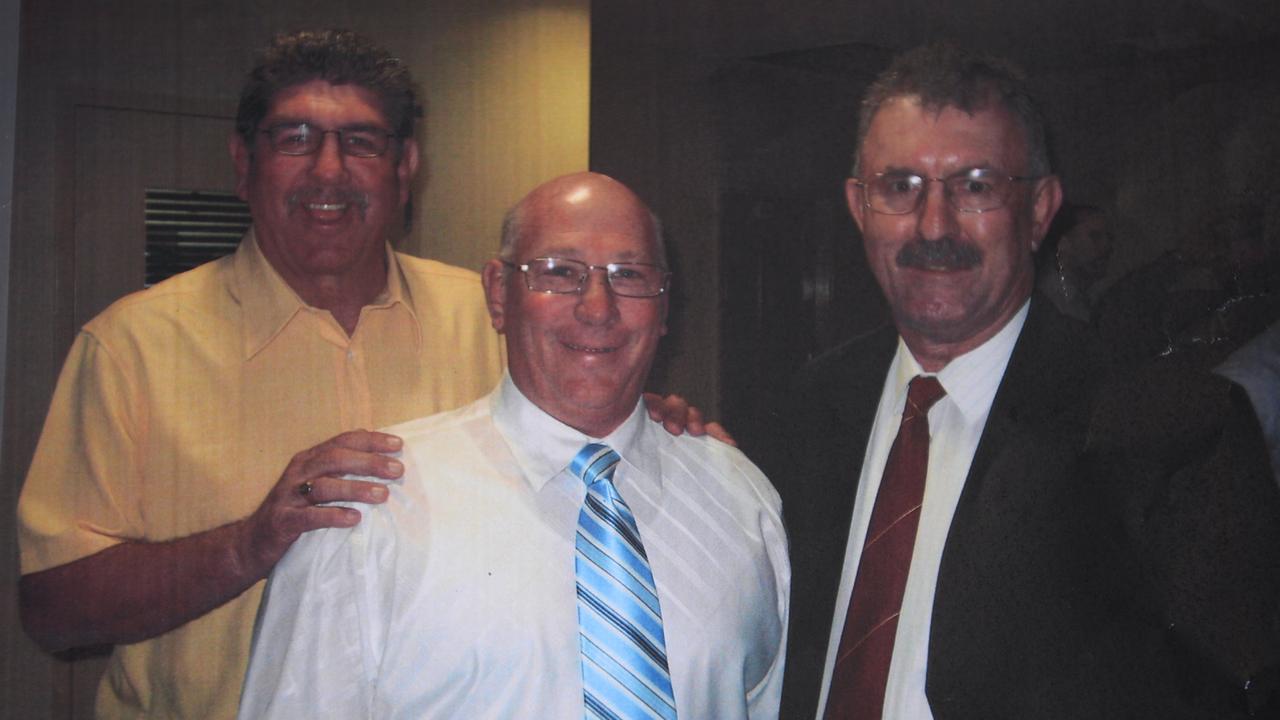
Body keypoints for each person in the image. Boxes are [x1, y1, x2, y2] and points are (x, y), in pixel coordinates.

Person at [16, 31, 714, 720]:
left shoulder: (496, 319)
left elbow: (589, 439)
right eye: (294, 139)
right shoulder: (131, 348)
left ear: (404, 167)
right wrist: (248, 544)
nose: (328, 171)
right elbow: (53, 610)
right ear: (243, 162)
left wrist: (652, 430)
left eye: (361, 142)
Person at [771, 43, 1280, 719]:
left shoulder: (1172, 427)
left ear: (1040, 210)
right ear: (859, 206)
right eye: (901, 187)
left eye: (975, 186)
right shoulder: (812, 404)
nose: (933, 225)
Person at [237, 172, 790, 719]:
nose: (598, 306)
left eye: (629, 274)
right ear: (499, 294)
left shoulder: (741, 502)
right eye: (559, 272)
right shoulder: (368, 512)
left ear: (665, 306)